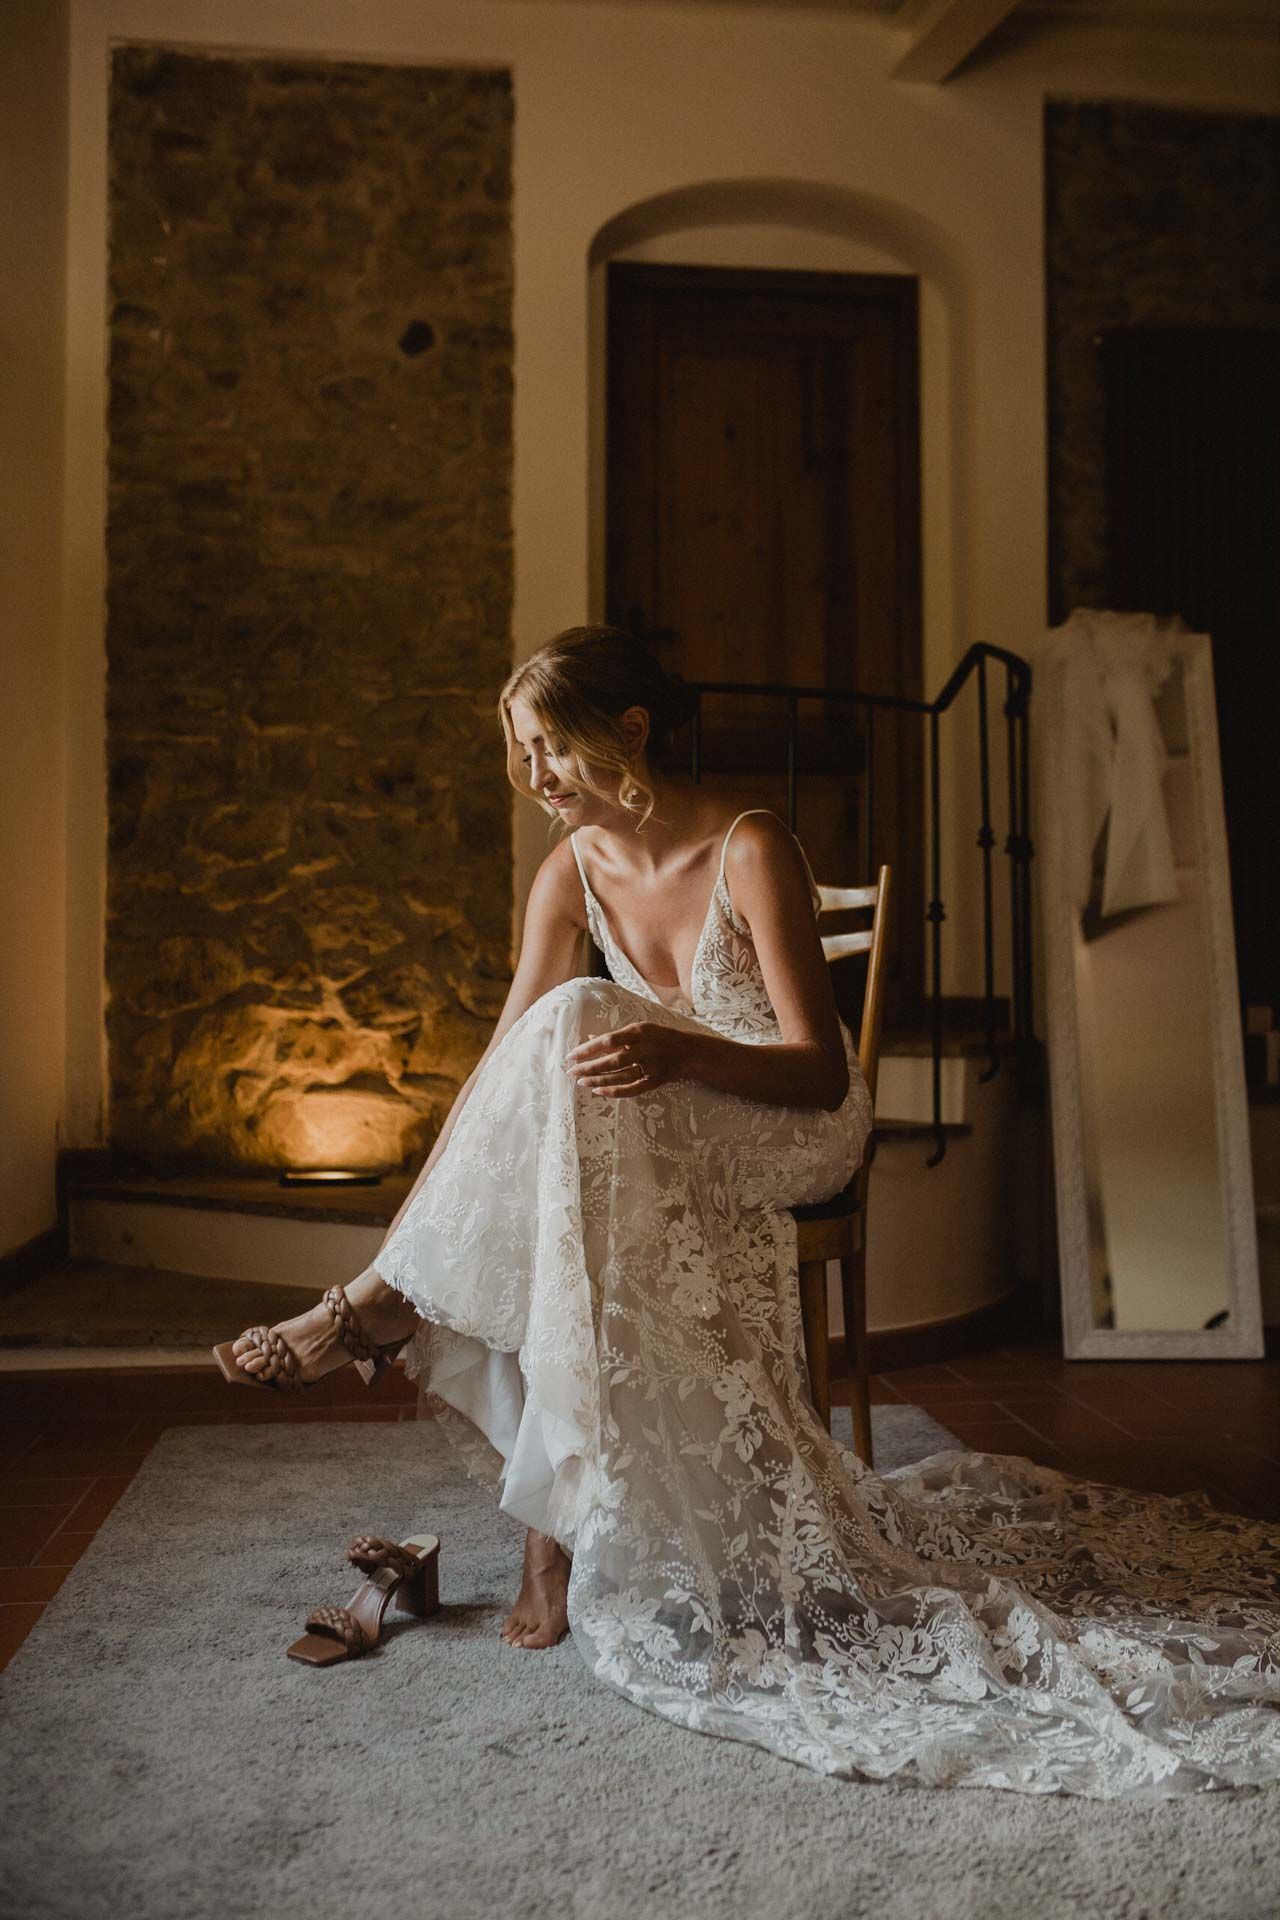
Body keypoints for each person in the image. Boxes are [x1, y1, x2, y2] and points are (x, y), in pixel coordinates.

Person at [216, 625, 1280, 1800]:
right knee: (553, 1082)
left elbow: (818, 1071)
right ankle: (436, 1366)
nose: (531, 779)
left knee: (577, 1030)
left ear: (627, 733)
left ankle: (421, 1379)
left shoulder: (748, 845)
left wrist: (672, 1054)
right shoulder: (568, 870)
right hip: (643, 1130)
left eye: (547, 747)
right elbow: (500, 1081)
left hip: (776, 1118)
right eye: (515, 754)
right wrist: (457, 1179)